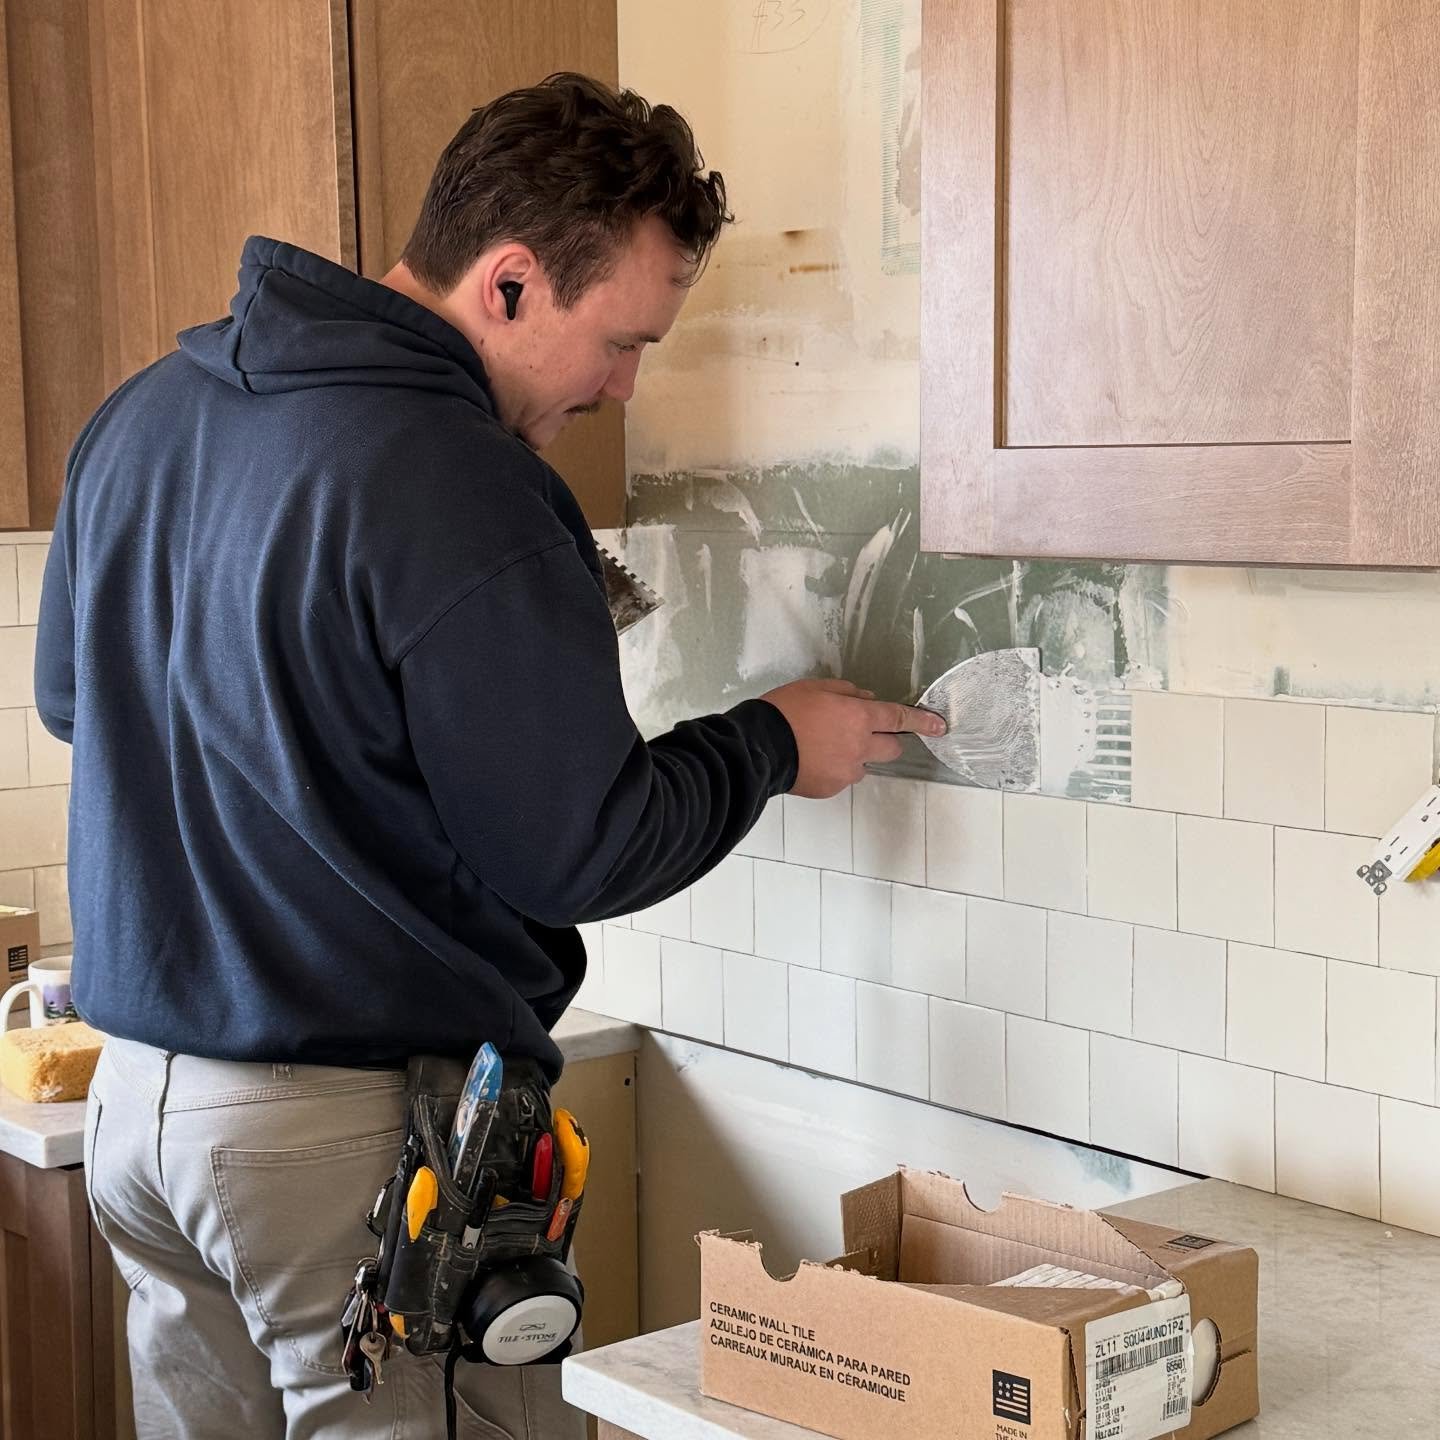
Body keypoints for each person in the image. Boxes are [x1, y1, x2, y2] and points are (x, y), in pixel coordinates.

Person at [34, 73, 945, 1439]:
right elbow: (580, 845)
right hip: (335, 1151)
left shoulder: (144, 417)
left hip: (137, 1122)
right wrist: (771, 742)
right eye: (622, 341)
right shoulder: (459, 479)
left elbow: (73, 703)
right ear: (511, 281)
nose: (625, 386)